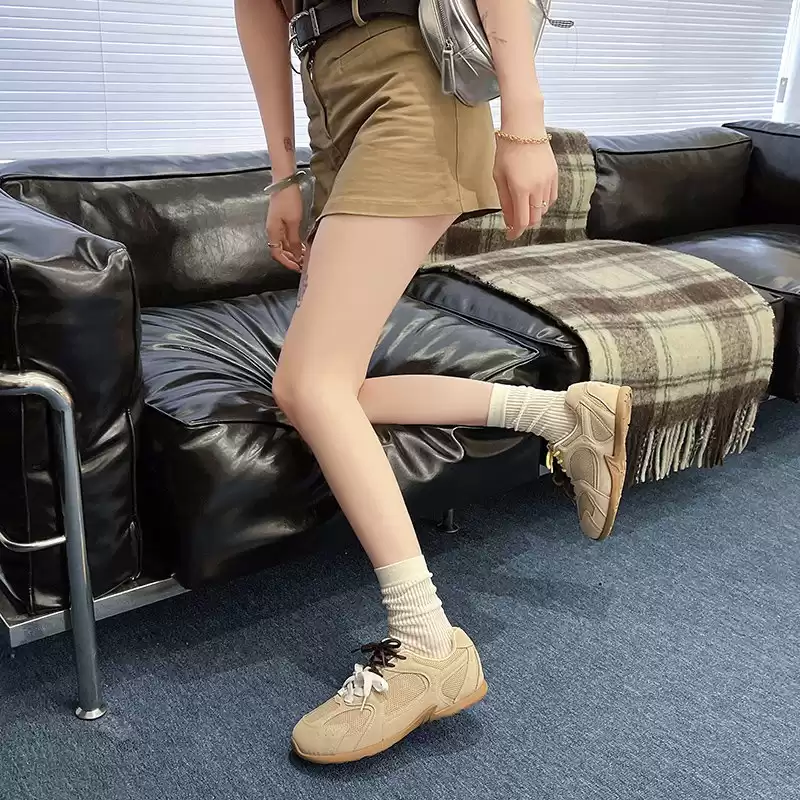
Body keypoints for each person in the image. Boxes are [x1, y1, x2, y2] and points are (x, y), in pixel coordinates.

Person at [235, 0, 632, 764]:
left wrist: (525, 119)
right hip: (329, 99)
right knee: (329, 393)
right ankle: (559, 416)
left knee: (309, 386)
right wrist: (283, 173)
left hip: (410, 71)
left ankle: (427, 643)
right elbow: (258, 12)